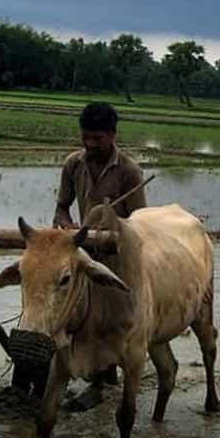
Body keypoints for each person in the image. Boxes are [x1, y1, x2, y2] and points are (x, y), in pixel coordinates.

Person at [52, 101, 147, 410]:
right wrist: (66, 225)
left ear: (113, 136)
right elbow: (62, 206)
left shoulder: (129, 172)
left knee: (112, 318)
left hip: (116, 254)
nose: (90, 145)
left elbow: (140, 222)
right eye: (86, 138)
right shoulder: (73, 164)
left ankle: (104, 379)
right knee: (82, 314)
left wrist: (111, 235)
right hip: (81, 250)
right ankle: (96, 376)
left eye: (98, 139)